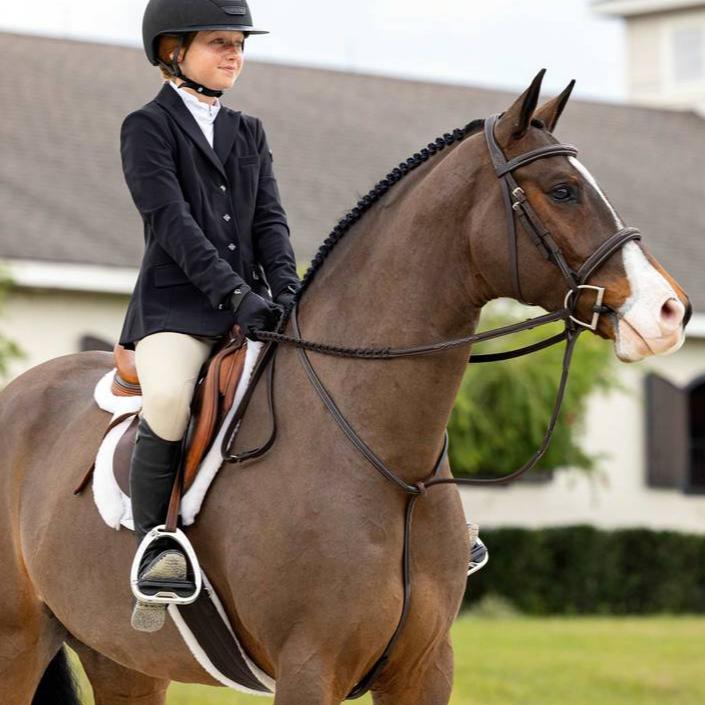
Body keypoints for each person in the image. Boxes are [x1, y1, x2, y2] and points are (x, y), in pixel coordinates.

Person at [118, 0, 300, 632]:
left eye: (240, 44)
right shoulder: (147, 127)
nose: (234, 54)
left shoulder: (248, 132)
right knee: (168, 398)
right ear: (173, 50)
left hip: (253, 306)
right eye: (220, 41)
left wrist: (287, 288)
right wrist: (235, 296)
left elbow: (270, 221)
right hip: (177, 311)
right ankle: (153, 546)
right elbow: (174, 226)